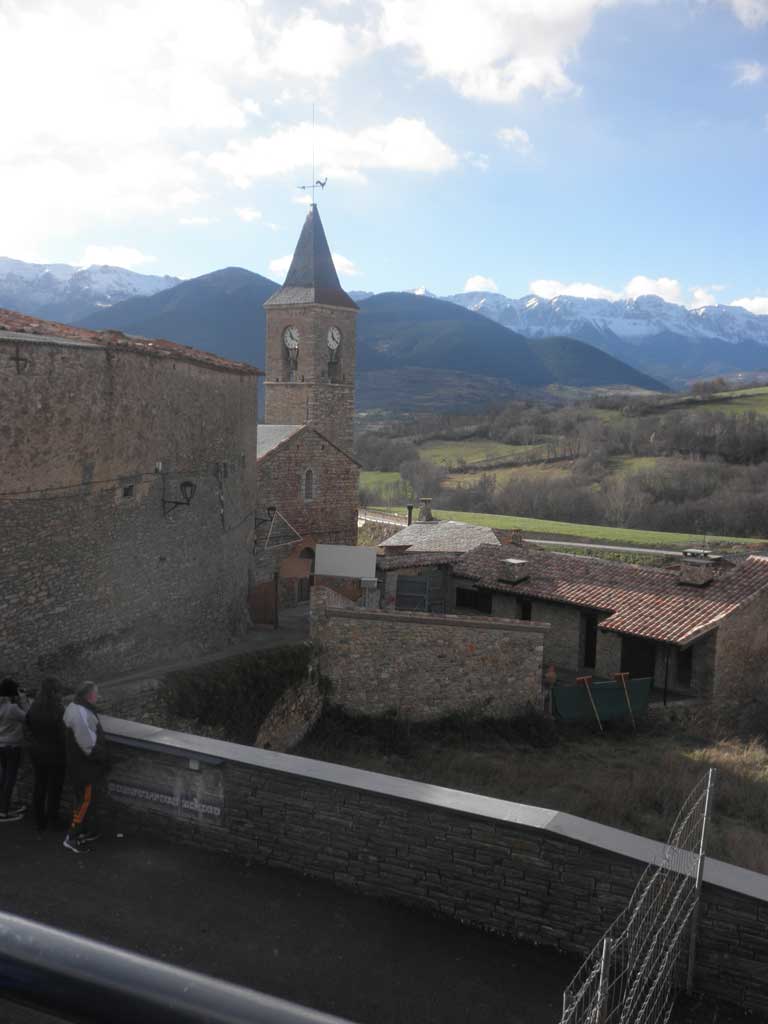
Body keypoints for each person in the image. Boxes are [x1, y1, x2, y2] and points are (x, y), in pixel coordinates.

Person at [62, 681, 109, 854]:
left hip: (77, 765)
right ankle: (71, 837)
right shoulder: (81, 713)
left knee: (82, 799)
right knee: (84, 801)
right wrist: (104, 757)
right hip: (85, 768)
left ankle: (86, 831)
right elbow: (88, 745)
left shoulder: (73, 707)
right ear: (89, 695)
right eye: (96, 693)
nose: (98, 696)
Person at [25, 677, 67, 833]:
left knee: (40, 785)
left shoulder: (34, 707)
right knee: (55, 788)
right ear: (54, 691)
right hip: (55, 753)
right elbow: (63, 735)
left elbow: (27, 726)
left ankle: (39, 820)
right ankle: (53, 819)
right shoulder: (58, 709)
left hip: (37, 752)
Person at [0, 677, 30, 821]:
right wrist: (23, 701)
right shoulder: (12, 708)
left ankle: (4, 806)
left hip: (1, 745)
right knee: (9, 779)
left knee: (3, 777)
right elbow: (29, 718)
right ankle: (4, 811)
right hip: (12, 747)